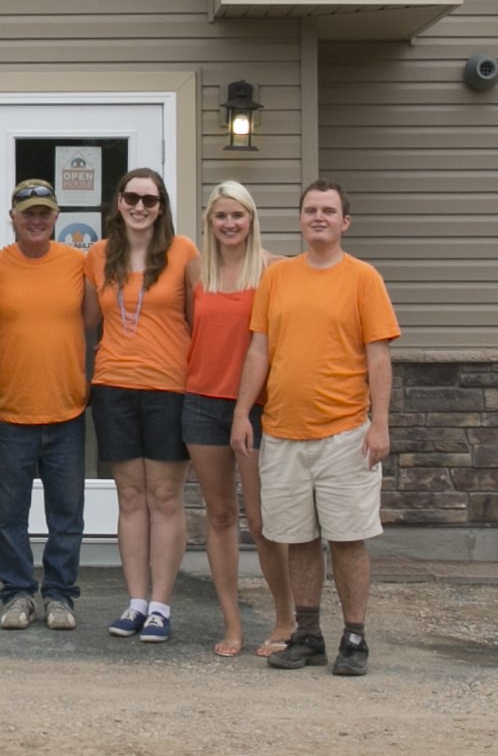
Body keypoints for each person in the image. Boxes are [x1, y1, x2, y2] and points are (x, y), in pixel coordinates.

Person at [231, 180, 399, 677]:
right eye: (310, 210)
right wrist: (243, 411)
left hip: (345, 432)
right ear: (300, 220)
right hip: (283, 432)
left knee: (348, 538)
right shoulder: (278, 278)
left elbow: (379, 355)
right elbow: (259, 349)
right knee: (297, 538)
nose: (318, 217)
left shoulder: (363, 278)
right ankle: (307, 635)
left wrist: (381, 425)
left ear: (345, 222)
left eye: (328, 211)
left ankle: (354, 637)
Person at [85, 167, 197, 644]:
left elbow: (199, 319)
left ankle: (161, 605)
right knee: (130, 497)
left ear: (161, 208)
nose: (139, 207)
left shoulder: (183, 252)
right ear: (117, 202)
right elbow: (87, 322)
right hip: (113, 386)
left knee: (165, 498)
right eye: (131, 197)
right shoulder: (97, 255)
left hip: (169, 388)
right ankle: (134, 602)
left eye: (149, 201)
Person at [0, 179, 99, 631]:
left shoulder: (78, 263)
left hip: (66, 408)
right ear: (12, 217)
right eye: (27, 212)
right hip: (11, 409)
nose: (35, 220)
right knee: (10, 515)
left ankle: (59, 596)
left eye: (43, 213)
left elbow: (91, 320)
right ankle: (16, 594)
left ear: (55, 218)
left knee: (66, 515)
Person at [183, 180, 293, 657]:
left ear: (251, 220)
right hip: (202, 402)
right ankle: (232, 624)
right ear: (209, 221)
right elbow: (193, 330)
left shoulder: (274, 269)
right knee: (221, 515)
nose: (229, 224)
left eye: (238, 216)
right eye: (221, 216)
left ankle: (286, 621)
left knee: (264, 520)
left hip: (257, 409)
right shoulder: (195, 270)